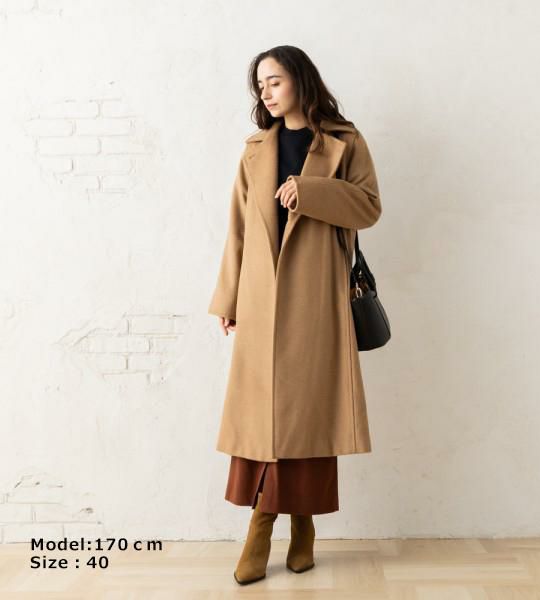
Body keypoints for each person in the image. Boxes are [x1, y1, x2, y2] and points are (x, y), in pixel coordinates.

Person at [208, 45, 382, 585]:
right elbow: (238, 230)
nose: (265, 92)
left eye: (275, 80)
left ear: (301, 81)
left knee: (306, 416)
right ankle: (263, 528)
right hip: (261, 300)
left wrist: (310, 191)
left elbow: (368, 207)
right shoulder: (256, 150)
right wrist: (228, 299)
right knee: (262, 420)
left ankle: (300, 527)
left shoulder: (345, 142)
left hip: (316, 300)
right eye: (259, 84)